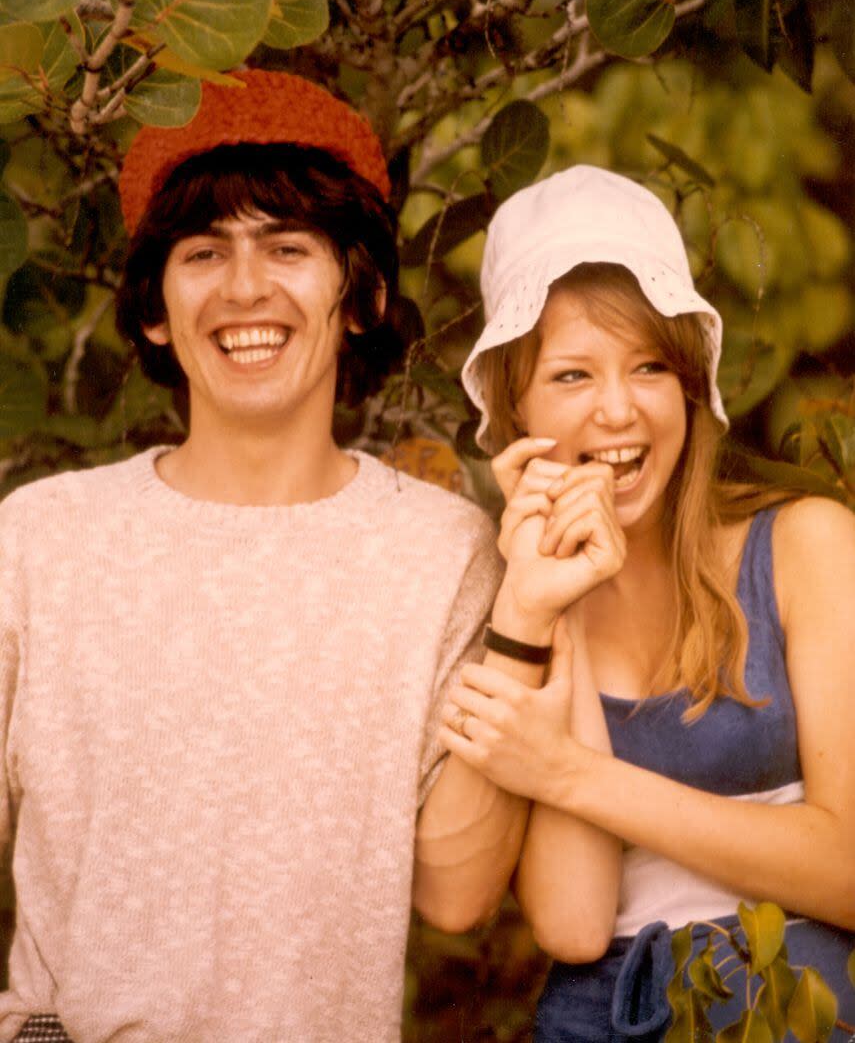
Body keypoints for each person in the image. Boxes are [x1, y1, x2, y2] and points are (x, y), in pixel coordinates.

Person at [0, 70, 550, 1043]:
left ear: (360, 295)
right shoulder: (39, 541)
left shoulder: (439, 552)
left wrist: (527, 624)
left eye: (288, 248)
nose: (245, 287)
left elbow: (457, 895)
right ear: (156, 308)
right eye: (204, 251)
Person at [442, 165, 855, 1041]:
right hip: (604, 1018)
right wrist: (553, 596)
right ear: (513, 411)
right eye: (570, 377)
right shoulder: (515, 593)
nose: (619, 410)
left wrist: (570, 775)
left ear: (688, 389)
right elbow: (574, 926)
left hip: (794, 1012)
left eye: (647, 367)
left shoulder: (803, 546)